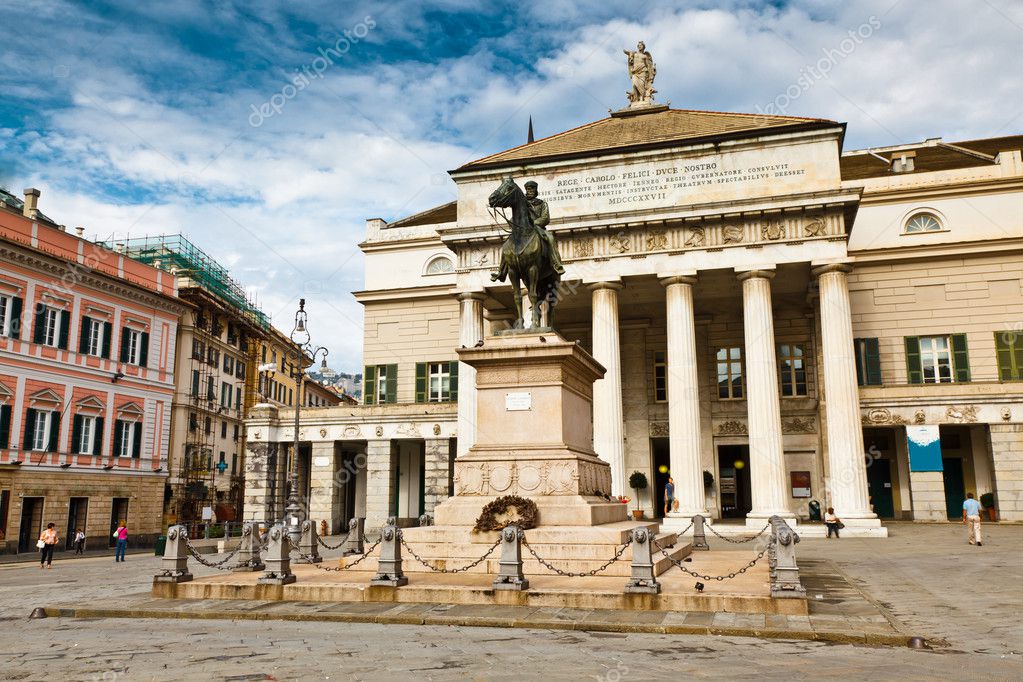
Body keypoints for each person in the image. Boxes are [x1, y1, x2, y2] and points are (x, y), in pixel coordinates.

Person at [524, 181, 565, 275]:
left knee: (550, 238)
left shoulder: (542, 203)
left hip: (538, 228)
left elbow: (545, 218)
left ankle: (556, 263)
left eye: (532, 189)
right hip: (524, 229)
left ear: (536, 190)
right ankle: (502, 270)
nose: (530, 191)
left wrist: (533, 223)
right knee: (508, 242)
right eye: (528, 189)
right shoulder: (522, 204)